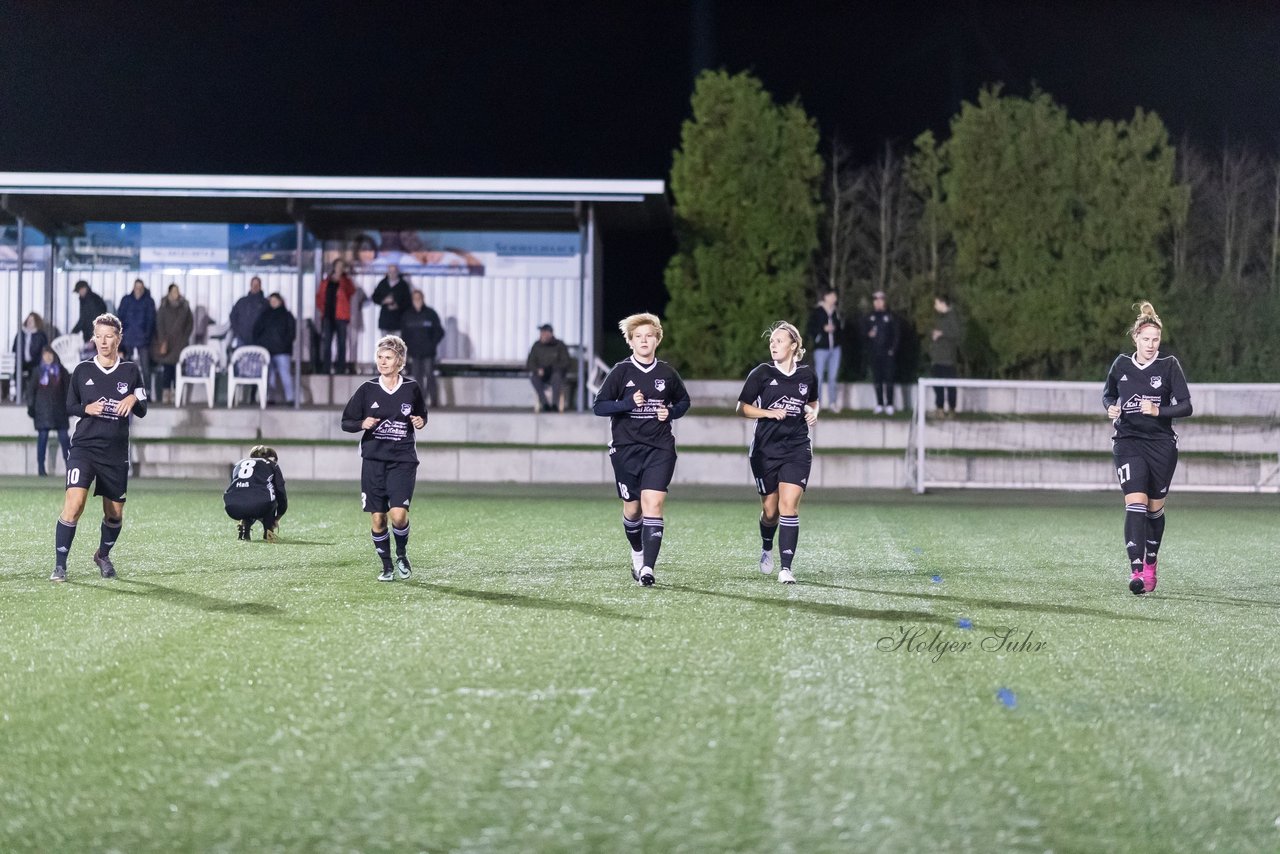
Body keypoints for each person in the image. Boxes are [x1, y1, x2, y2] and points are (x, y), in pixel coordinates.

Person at [592, 313, 691, 586]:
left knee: (654, 505)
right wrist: (626, 403)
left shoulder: (667, 373)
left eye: (649, 335)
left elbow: (684, 402)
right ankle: (637, 552)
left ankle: (648, 568)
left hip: (660, 448)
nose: (644, 340)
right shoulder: (621, 372)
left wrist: (669, 413)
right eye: (639, 336)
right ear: (631, 342)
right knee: (633, 510)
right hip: (626, 450)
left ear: (657, 339)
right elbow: (599, 406)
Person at [1102, 301, 1193, 596]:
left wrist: (1158, 410)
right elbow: (1108, 395)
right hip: (1127, 442)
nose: (1151, 345)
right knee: (1136, 503)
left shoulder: (1169, 366)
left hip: (1161, 445)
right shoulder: (1121, 364)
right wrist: (1111, 408)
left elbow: (1186, 406)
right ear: (1135, 339)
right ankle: (1137, 570)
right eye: (1146, 339)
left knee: (1155, 510)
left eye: (1156, 340)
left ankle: (1152, 561)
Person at [51, 313, 149, 581]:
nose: (103, 342)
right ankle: (60, 565)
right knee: (74, 504)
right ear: (93, 338)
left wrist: (132, 397)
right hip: (84, 448)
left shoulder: (131, 371)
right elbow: (69, 406)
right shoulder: (82, 370)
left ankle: (103, 555)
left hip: (115, 453)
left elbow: (142, 409)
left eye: (109, 337)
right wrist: (86, 408)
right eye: (99, 337)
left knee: (114, 513)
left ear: (118, 339)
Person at [737, 322, 820, 584]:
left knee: (788, 507)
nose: (773, 345)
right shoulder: (761, 373)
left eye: (779, 341)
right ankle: (766, 546)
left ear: (793, 345)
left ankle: (786, 568)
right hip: (765, 450)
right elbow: (742, 408)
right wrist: (768, 413)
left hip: (797, 448)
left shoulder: (808, 375)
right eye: (771, 341)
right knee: (770, 511)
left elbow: (813, 401)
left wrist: (813, 412)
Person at [340, 335, 427, 582]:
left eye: (388, 358)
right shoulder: (367, 390)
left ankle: (401, 554)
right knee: (378, 518)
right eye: (379, 357)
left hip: (403, 460)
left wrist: (421, 421)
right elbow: (346, 422)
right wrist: (360, 423)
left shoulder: (412, 388)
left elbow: (421, 415)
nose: (382, 362)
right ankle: (386, 565)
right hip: (373, 461)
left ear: (399, 361)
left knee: (398, 515)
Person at [224, 445, 289, 542]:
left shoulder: (238, 464)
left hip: (232, 506)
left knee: (247, 496)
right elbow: (281, 493)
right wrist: (277, 517)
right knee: (270, 495)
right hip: (261, 505)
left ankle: (245, 525)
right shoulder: (272, 464)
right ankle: (268, 530)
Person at [26, 345, 71, 476]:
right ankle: (41, 468)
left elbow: (68, 391)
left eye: (50, 354)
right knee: (42, 439)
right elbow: (31, 392)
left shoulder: (62, 371)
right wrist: (31, 407)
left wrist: (70, 407)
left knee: (64, 439)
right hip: (42, 411)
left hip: (60, 411)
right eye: (45, 354)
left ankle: (70, 468)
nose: (48, 357)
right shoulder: (37, 371)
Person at [401, 289, 445, 407]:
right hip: (414, 353)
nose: (417, 301)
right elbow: (404, 334)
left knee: (429, 375)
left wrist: (432, 344)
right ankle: (420, 401)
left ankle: (434, 401)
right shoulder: (407, 315)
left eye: (419, 298)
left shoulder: (430, 314)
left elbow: (439, 332)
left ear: (423, 299)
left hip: (428, 353)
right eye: (415, 299)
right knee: (417, 378)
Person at [252, 292, 297, 406]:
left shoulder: (287, 315)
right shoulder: (264, 315)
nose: (273, 302)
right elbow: (256, 331)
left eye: (275, 300)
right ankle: (270, 398)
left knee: (285, 374)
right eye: (271, 300)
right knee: (269, 376)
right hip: (267, 351)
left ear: (280, 301)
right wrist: (261, 344)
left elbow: (291, 333)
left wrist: (284, 345)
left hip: (282, 352)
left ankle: (290, 398)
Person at [151, 283, 193, 403]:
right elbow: (159, 324)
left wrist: (184, 338)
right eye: (174, 291)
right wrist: (163, 340)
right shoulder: (163, 306)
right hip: (167, 344)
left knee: (178, 369)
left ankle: (176, 393)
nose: (176, 293)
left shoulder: (185, 307)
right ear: (169, 292)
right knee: (167, 369)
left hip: (180, 344)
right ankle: (166, 393)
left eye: (177, 291)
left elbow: (190, 324)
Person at [316, 259, 356, 374]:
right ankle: (326, 368)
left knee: (341, 342)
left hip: (341, 316)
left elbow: (351, 291)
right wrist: (323, 309)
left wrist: (342, 279)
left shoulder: (346, 281)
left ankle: (340, 368)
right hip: (328, 315)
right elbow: (319, 297)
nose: (339, 268)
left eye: (341, 266)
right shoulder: (326, 281)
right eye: (337, 266)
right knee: (327, 342)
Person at [863, 290, 900, 415]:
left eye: (880, 300)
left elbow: (896, 335)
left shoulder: (890, 316)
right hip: (874, 353)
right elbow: (863, 333)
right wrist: (868, 335)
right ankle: (879, 403)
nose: (878, 302)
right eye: (876, 300)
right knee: (877, 379)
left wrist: (892, 350)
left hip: (887, 353)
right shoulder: (869, 317)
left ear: (884, 301)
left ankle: (889, 404)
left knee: (889, 379)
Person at [116, 278, 156, 395]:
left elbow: (151, 320)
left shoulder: (148, 301)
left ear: (143, 288)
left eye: (140, 288)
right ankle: (125, 392)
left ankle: (147, 393)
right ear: (133, 288)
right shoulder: (126, 300)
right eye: (136, 287)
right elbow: (120, 318)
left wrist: (147, 335)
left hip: (143, 340)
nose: (138, 290)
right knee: (125, 368)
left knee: (145, 367)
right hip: (127, 338)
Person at [805, 290, 842, 413]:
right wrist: (822, 330)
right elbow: (810, 328)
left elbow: (840, 328)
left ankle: (832, 403)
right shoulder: (817, 312)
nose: (834, 298)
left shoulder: (836, 312)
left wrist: (836, 330)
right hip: (821, 349)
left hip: (835, 348)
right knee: (819, 377)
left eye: (835, 296)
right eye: (832, 296)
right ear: (826, 297)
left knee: (833, 377)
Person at [527, 323, 573, 412]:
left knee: (556, 377)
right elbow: (530, 363)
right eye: (541, 333)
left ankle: (555, 404)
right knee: (534, 378)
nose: (542, 335)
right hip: (542, 374)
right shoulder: (536, 346)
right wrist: (537, 370)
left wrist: (553, 368)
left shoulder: (559, 345)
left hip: (555, 373)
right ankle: (545, 404)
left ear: (550, 334)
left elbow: (566, 362)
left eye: (544, 333)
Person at [929, 294, 961, 416]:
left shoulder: (952, 316)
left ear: (943, 304)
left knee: (950, 386)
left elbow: (956, 333)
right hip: (937, 358)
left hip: (948, 359)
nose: (935, 306)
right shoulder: (940, 318)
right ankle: (940, 408)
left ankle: (952, 409)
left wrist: (942, 333)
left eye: (936, 303)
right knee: (937, 385)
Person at [370, 264, 412, 338]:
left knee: (397, 347)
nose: (392, 274)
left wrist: (397, 306)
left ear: (397, 272)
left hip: (398, 323)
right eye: (390, 271)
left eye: (394, 271)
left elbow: (408, 302)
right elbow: (374, 297)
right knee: (386, 347)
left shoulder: (403, 285)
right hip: (385, 322)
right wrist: (383, 301)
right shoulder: (383, 283)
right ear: (387, 272)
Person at [229, 276, 268, 351]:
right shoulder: (242, 301)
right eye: (253, 284)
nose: (255, 287)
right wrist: (237, 332)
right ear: (250, 285)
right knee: (240, 360)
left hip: (259, 341)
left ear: (260, 286)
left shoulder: (265, 303)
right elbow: (233, 316)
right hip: (242, 339)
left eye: (257, 285)